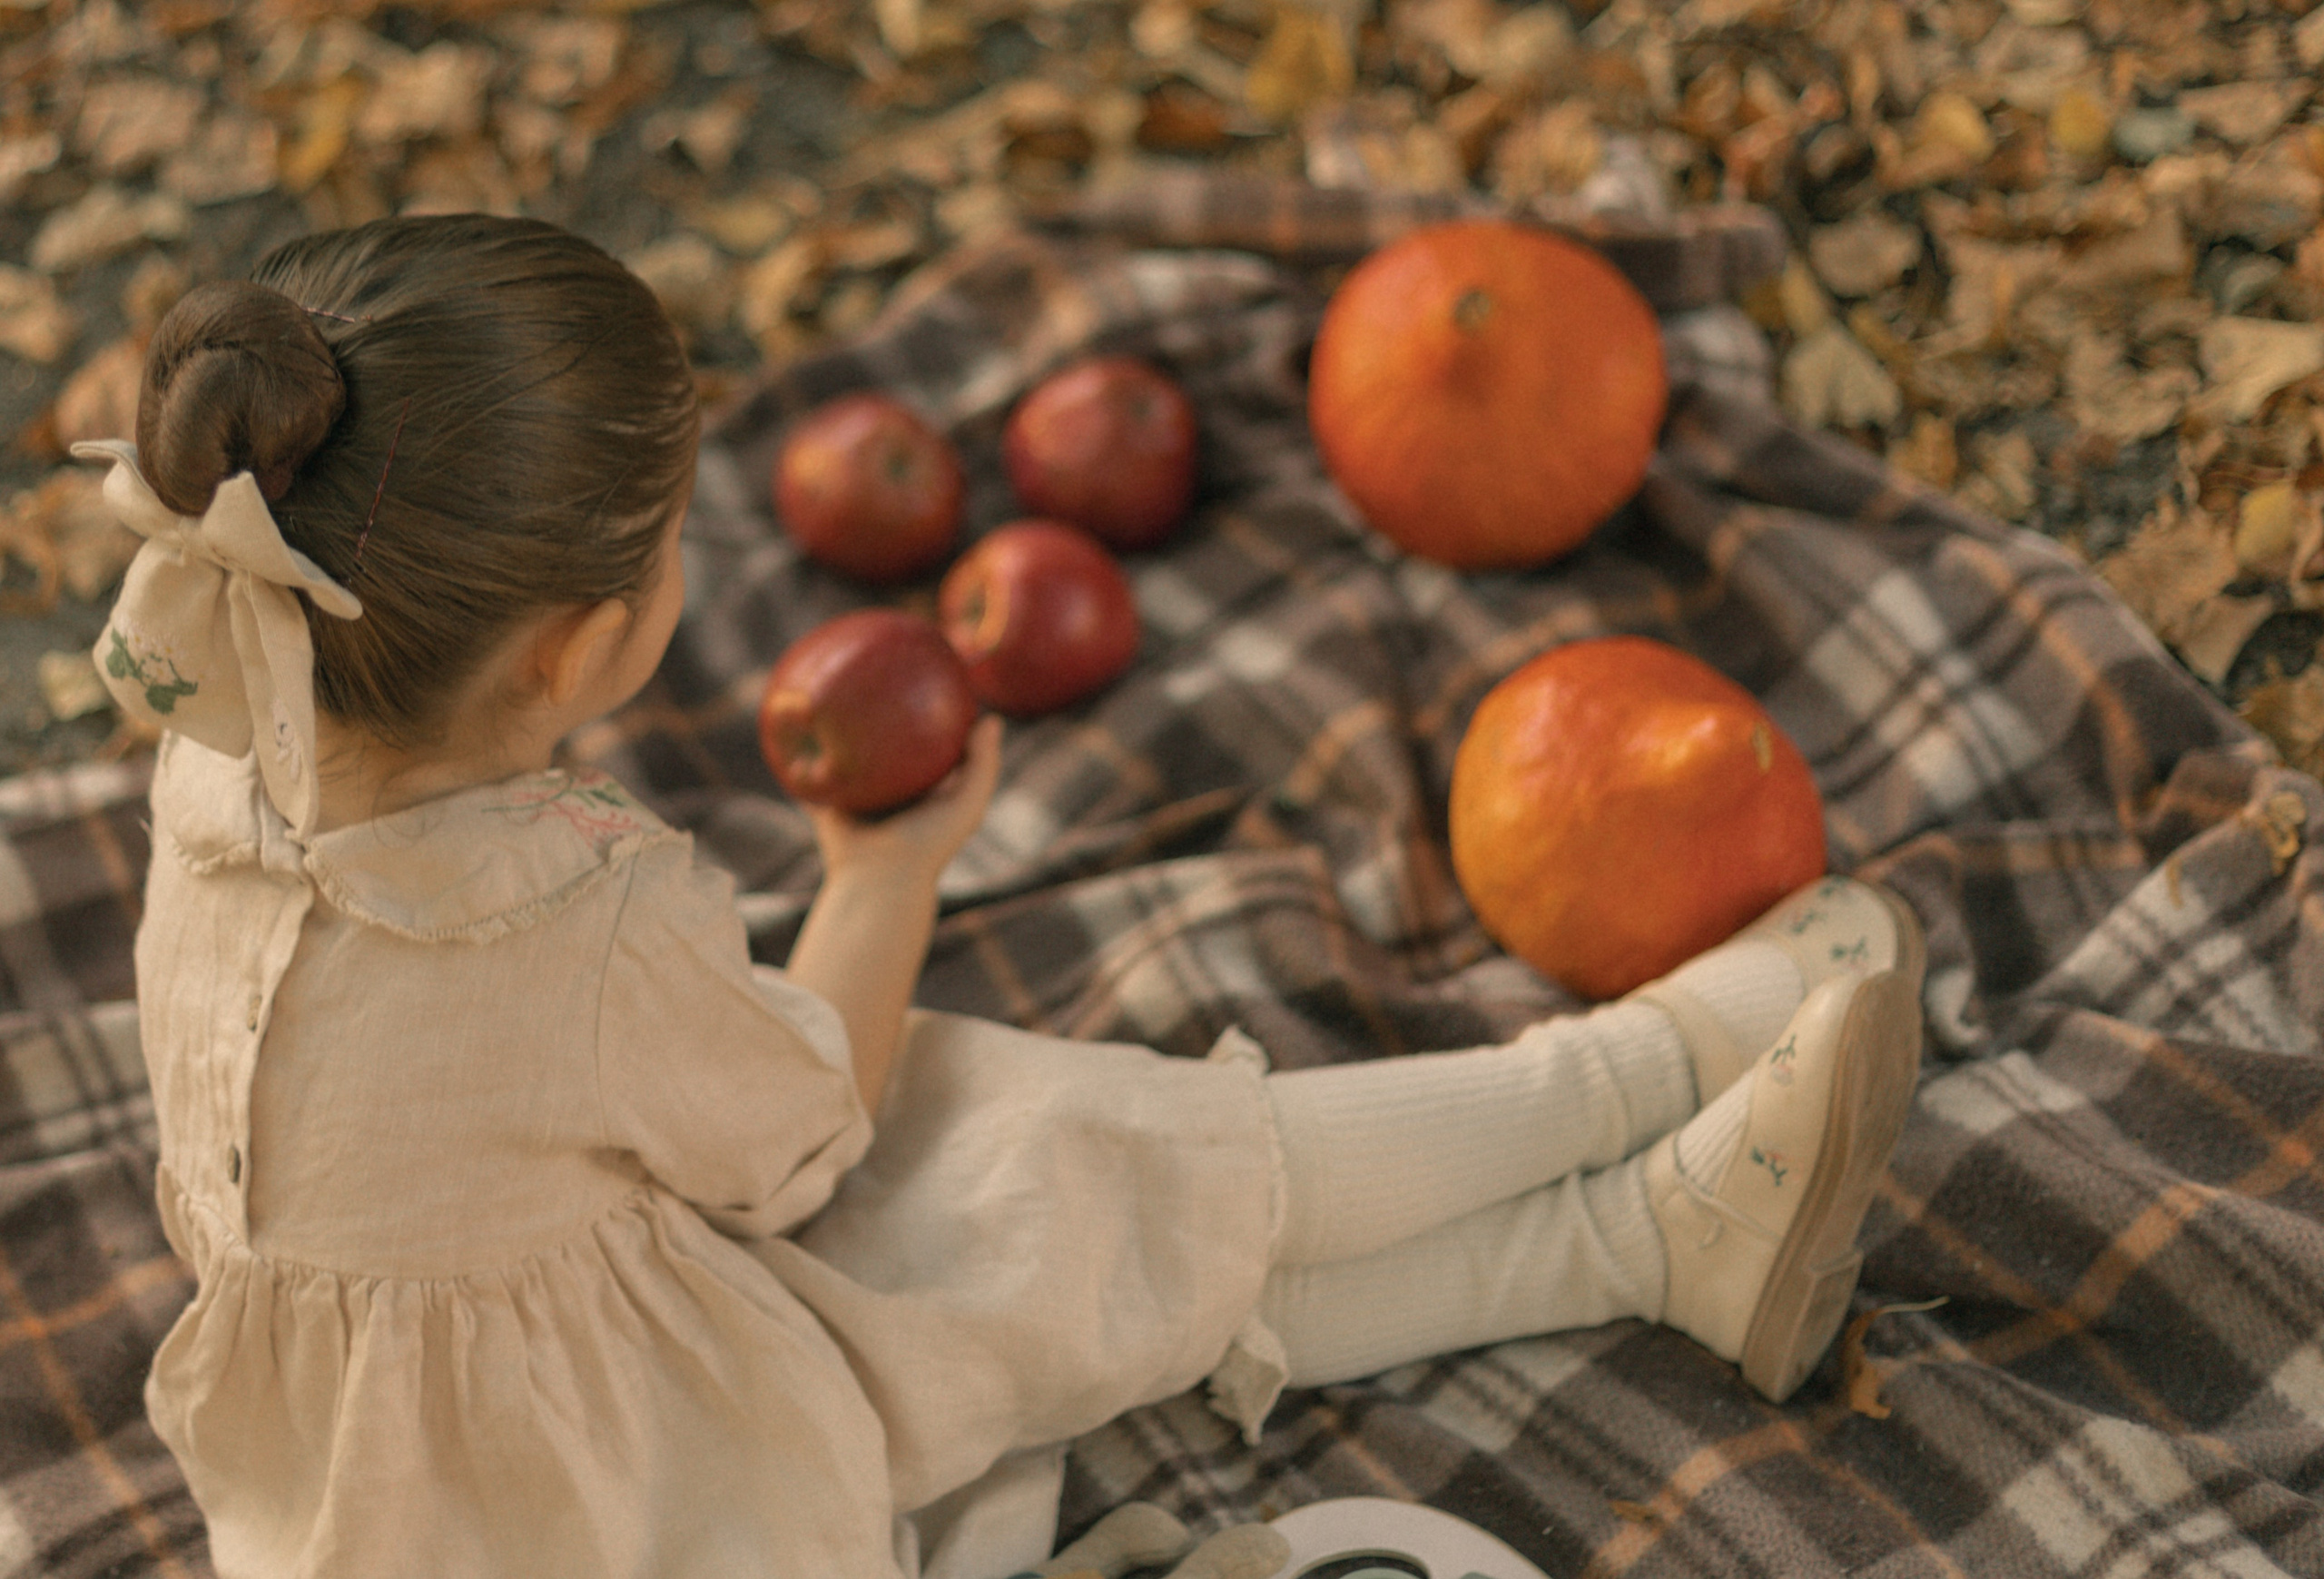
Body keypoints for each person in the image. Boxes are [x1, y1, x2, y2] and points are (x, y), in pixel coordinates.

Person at [88, 212, 1926, 1579]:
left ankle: (1643, 1239)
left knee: (1028, 1220)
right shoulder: (561, 918)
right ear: (578, 650)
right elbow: (807, 1132)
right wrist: (880, 876)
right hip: (648, 1504)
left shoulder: (208, 779)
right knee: (1018, 1144)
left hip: (386, 1509)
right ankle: (1631, 1082)